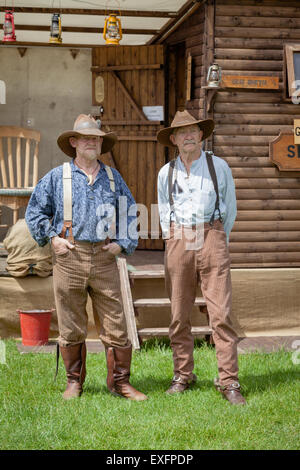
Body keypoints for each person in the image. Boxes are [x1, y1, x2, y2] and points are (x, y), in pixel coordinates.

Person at [25, 114, 147, 402]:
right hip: (70, 256)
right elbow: (34, 213)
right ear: (74, 142)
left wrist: (122, 244)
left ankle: (120, 382)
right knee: (70, 322)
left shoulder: (113, 178)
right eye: (86, 137)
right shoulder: (57, 177)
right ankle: (73, 382)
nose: (92, 142)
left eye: (97, 138)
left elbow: (130, 212)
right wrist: (53, 239)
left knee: (116, 320)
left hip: (105, 257)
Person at [156, 110, 246, 405]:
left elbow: (230, 207)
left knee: (220, 314)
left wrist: (218, 238)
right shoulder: (165, 172)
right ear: (174, 139)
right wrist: (172, 239)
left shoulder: (218, 166)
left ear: (201, 134)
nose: (189, 135)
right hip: (180, 238)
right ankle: (183, 374)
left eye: (193, 130)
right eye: (182, 132)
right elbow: (163, 210)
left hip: (211, 235)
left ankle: (229, 380)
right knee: (179, 315)